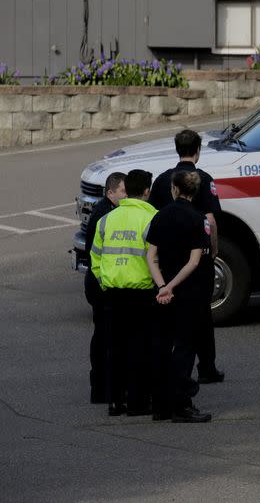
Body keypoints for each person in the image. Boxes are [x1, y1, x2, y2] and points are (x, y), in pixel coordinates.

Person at [150, 129, 224, 385]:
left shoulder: (161, 180)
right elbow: (211, 219)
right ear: (198, 150)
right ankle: (205, 367)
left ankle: (166, 372)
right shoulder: (202, 178)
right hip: (195, 256)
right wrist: (212, 249)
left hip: (167, 257)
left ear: (176, 148)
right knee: (200, 314)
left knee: (168, 319)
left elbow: (153, 220)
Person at [146, 170, 213, 423]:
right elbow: (194, 262)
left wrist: (162, 285)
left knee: (162, 346)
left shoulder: (160, 216)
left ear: (174, 189)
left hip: (162, 291)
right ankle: (181, 403)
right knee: (185, 347)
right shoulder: (197, 219)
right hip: (188, 292)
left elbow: (151, 257)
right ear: (193, 191)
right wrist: (173, 286)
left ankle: (160, 405)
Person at [90, 169, 157, 417]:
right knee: (140, 349)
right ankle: (138, 402)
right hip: (141, 293)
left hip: (113, 293)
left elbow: (95, 257)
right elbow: (156, 258)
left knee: (115, 349)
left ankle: (115, 402)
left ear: (126, 190)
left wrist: (104, 281)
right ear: (147, 192)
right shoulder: (152, 219)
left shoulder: (106, 220)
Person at [85, 172, 126, 404]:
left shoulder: (105, 211)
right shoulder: (106, 215)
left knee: (103, 336)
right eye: (122, 191)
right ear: (110, 193)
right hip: (101, 284)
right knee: (105, 338)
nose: (125, 195)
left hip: (98, 282)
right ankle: (103, 389)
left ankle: (101, 388)